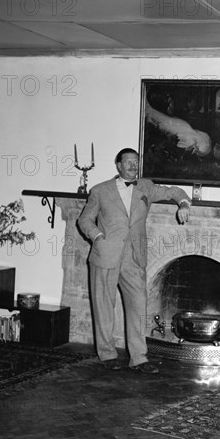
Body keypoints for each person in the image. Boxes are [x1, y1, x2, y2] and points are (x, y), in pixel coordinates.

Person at [78, 148, 191, 373]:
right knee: (103, 306)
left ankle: (139, 358)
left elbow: (173, 191)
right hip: (105, 254)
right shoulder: (100, 190)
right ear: (118, 165)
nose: (133, 166)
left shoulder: (145, 186)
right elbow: (84, 220)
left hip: (134, 257)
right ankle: (107, 354)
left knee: (138, 304)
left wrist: (184, 203)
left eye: (136, 162)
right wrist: (97, 236)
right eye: (128, 162)